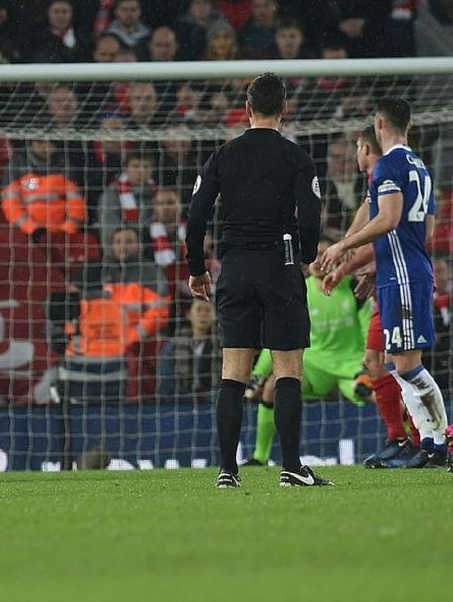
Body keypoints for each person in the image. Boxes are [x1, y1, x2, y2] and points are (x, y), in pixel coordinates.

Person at [184, 73, 327, 489]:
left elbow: (195, 215)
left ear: (247, 110)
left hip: (235, 269)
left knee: (234, 372)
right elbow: (312, 214)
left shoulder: (223, 155)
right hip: (279, 266)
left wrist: (197, 268)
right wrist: (305, 256)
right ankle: (292, 467)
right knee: (287, 370)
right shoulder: (296, 157)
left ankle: (228, 471)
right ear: (284, 108)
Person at [320, 97, 449, 469]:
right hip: (402, 271)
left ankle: (438, 441)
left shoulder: (388, 165)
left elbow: (389, 219)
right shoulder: (419, 167)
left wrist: (343, 245)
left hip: (404, 276)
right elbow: (421, 229)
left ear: (378, 124)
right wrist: (372, 266)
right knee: (396, 362)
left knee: (407, 365)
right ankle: (427, 441)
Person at [244, 236, 367, 467]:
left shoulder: (353, 286)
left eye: (324, 253)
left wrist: (368, 367)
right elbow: (281, 336)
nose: (319, 259)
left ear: (337, 258)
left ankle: (407, 443)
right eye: (314, 254)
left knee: (377, 390)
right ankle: (260, 456)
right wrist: (258, 375)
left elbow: (369, 330)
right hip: (312, 365)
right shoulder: (298, 290)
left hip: (350, 365)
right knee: (272, 387)